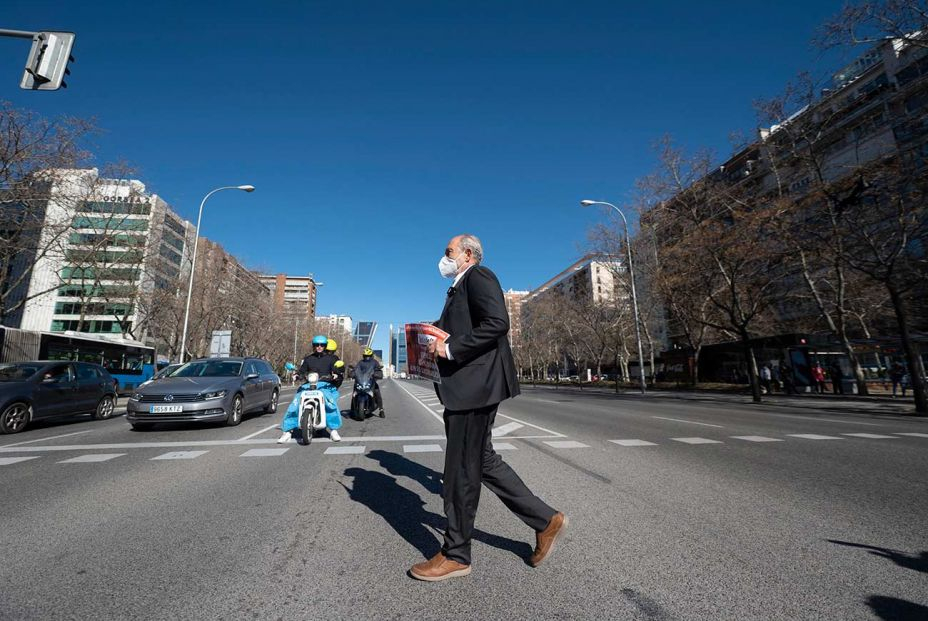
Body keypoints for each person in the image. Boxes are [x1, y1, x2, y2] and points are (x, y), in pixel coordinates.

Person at [409, 234, 566, 582]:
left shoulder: (479, 277)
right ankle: (545, 519)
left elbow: (497, 323)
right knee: (482, 461)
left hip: (474, 388)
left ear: (467, 255)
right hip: (468, 389)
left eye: (448, 252)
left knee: (461, 471)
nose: (443, 258)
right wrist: (428, 334)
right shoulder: (458, 288)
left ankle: (456, 554)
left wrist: (449, 350)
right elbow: (458, 329)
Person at [278, 335, 343, 442]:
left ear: (325, 346)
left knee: (330, 403)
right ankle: (287, 432)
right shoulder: (308, 359)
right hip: (309, 385)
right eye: (317, 345)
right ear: (313, 346)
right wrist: (297, 374)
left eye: (322, 345)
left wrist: (336, 374)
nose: (319, 347)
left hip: (325, 385)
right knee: (295, 403)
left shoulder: (331, 359)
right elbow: (302, 371)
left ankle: (333, 430)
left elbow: (336, 369)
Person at [352, 347, 385, 417]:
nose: (367, 358)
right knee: (354, 391)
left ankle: (381, 410)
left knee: (377, 392)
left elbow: (378, 370)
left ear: (371, 356)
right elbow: (356, 369)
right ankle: (352, 409)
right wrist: (352, 373)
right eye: (365, 356)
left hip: (371, 381)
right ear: (363, 356)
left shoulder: (375, 362)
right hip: (361, 381)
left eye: (368, 356)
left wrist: (378, 374)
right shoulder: (360, 362)